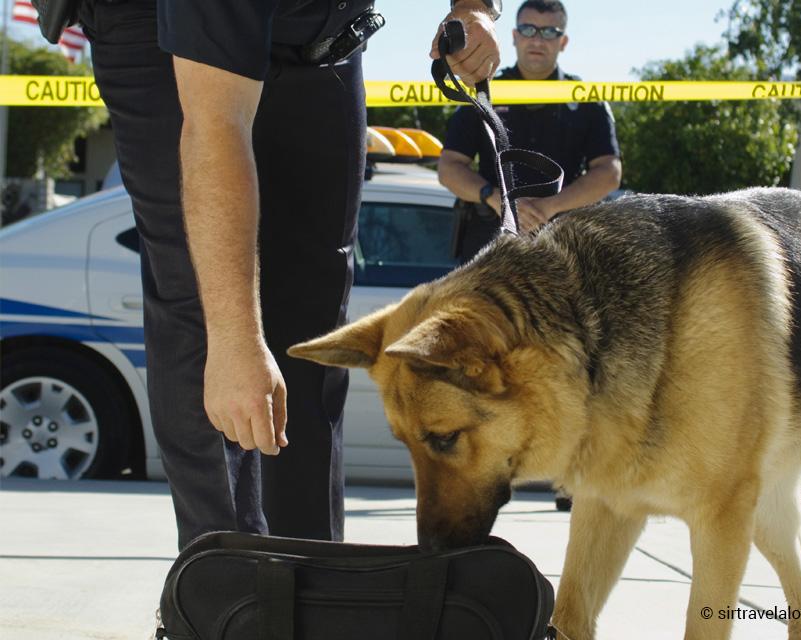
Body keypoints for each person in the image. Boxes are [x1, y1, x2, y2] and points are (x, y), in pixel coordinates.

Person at [74, 0, 500, 550]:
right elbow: (214, 127)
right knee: (210, 322)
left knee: (312, 333)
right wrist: (236, 340)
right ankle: (231, 599)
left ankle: (313, 589)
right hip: (161, 31)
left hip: (323, 29)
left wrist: (474, 8)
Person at [438, 0, 622, 258]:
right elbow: (449, 167)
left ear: (563, 41)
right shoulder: (483, 93)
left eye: (549, 32)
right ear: (514, 36)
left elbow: (609, 173)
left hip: (566, 252)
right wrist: (499, 200)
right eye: (528, 29)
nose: (537, 40)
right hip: (490, 250)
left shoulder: (585, 99)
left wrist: (548, 208)